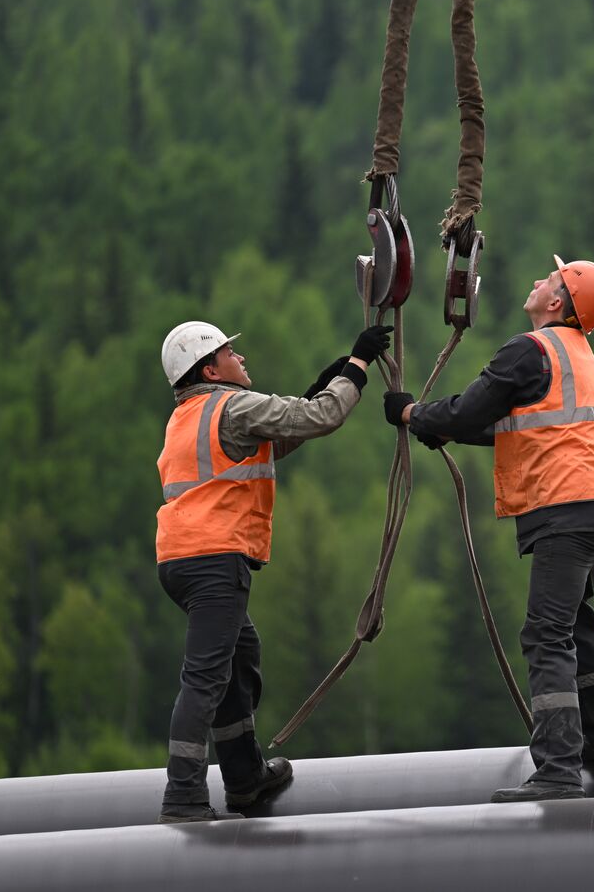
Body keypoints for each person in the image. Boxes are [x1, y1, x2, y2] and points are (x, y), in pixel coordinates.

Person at [383, 255, 594, 802]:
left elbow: (470, 414)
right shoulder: (576, 354)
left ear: (557, 301)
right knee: (576, 628)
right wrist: (435, 423)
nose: (538, 279)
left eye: (550, 278)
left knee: (546, 635)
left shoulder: (530, 349)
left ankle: (559, 769)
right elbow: (514, 428)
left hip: (564, 507)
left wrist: (412, 417)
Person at [154, 320, 393, 823]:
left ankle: (244, 779)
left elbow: (279, 435)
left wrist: (334, 376)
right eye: (230, 354)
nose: (241, 360)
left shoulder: (188, 417)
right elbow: (320, 417)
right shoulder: (233, 405)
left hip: (181, 560)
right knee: (205, 679)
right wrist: (358, 366)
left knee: (239, 658)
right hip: (216, 560)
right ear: (208, 368)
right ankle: (183, 798)